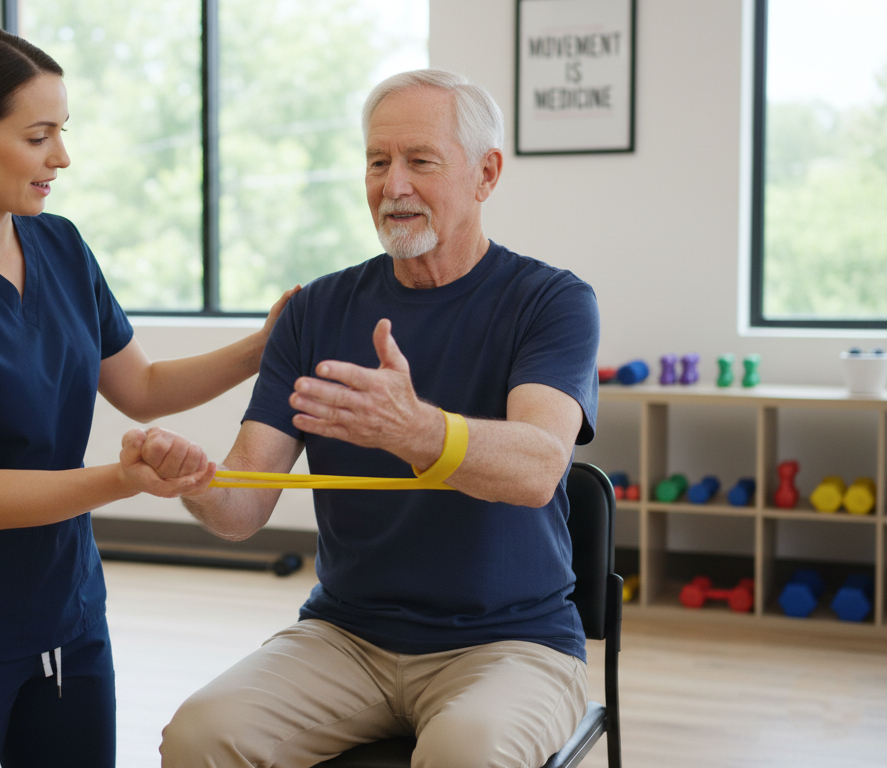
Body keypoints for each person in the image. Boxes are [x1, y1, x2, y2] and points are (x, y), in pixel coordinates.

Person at [0, 27, 293, 768]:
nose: (62, 156)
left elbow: (142, 388)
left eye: (63, 131)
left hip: (70, 616)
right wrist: (126, 480)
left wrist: (265, 344)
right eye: (38, 135)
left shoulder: (59, 246)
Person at [144, 69, 601, 768]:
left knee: (464, 755)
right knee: (199, 736)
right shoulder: (315, 311)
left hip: (511, 643)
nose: (394, 187)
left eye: (421, 161)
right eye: (377, 162)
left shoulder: (552, 302)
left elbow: (539, 467)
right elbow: (241, 509)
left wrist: (416, 430)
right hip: (346, 637)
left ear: (486, 174)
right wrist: (193, 480)